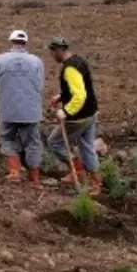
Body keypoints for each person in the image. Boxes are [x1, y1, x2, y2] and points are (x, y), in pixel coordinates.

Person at [0, 30, 46, 189]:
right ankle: (34, 179)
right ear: (26, 43)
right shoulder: (37, 61)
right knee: (33, 144)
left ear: (11, 41)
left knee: (7, 139)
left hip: (8, 111)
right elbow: (40, 86)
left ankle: (15, 172)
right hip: (31, 111)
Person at [46, 37, 102, 194]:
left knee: (54, 142)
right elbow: (79, 87)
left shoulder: (70, 68)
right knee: (87, 148)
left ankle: (77, 171)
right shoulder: (79, 61)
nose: (52, 56)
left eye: (52, 52)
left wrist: (65, 111)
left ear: (59, 50)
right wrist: (61, 96)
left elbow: (79, 95)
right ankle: (96, 184)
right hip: (91, 112)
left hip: (79, 116)